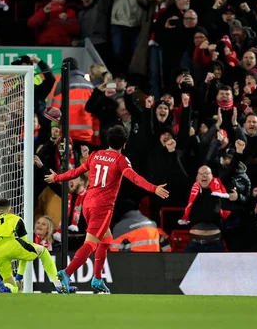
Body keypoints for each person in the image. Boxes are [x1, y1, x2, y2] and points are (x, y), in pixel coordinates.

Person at [45, 126, 168, 294]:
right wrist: (154, 188)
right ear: (124, 144)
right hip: (102, 207)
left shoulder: (95, 155)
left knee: (106, 240)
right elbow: (134, 178)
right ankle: (66, 273)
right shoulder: (120, 160)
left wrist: (57, 177)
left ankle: (97, 279)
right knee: (90, 243)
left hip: (88, 203)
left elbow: (76, 172)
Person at [0, 198, 75, 294]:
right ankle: (59, 286)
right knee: (43, 251)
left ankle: (6, 288)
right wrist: (19, 276)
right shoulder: (16, 219)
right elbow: (24, 246)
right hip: (12, 245)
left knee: (10, 286)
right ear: (11, 211)